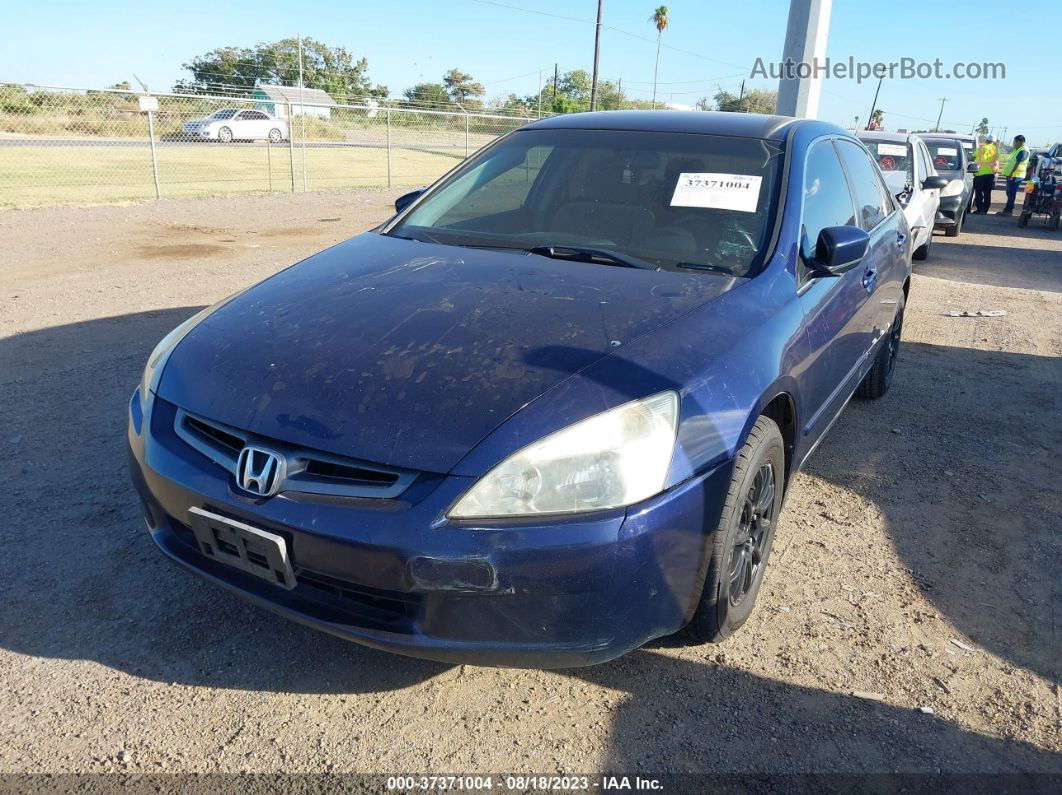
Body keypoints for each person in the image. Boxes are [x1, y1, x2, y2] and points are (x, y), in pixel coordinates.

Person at [996, 134, 1030, 216]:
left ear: (1019, 141)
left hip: (1016, 175)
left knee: (1011, 193)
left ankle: (1009, 210)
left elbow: (1018, 163)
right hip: (1012, 175)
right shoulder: (1017, 149)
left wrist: (1012, 173)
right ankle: (1008, 209)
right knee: (1009, 192)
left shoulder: (1023, 150)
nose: (1013, 143)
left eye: (1014, 142)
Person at [970, 134, 998, 214]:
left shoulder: (982, 148)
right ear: (994, 141)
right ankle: (985, 210)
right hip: (990, 174)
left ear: (987, 140)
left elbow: (973, 155)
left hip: (980, 174)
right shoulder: (995, 149)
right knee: (987, 193)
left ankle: (979, 209)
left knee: (978, 192)